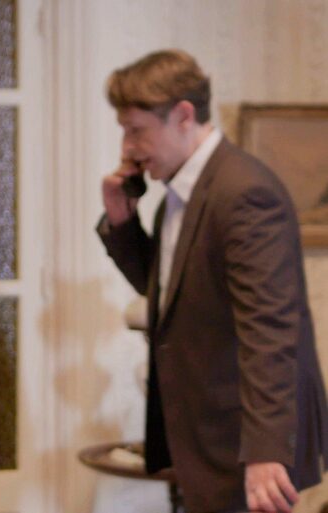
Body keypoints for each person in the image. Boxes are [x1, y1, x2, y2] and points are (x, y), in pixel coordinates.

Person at [97, 49, 328, 513]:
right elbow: (168, 294)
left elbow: (269, 330)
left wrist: (265, 452)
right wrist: (122, 222)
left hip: (241, 438)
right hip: (203, 432)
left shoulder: (244, 193)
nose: (127, 148)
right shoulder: (178, 195)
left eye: (136, 130)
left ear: (184, 115)